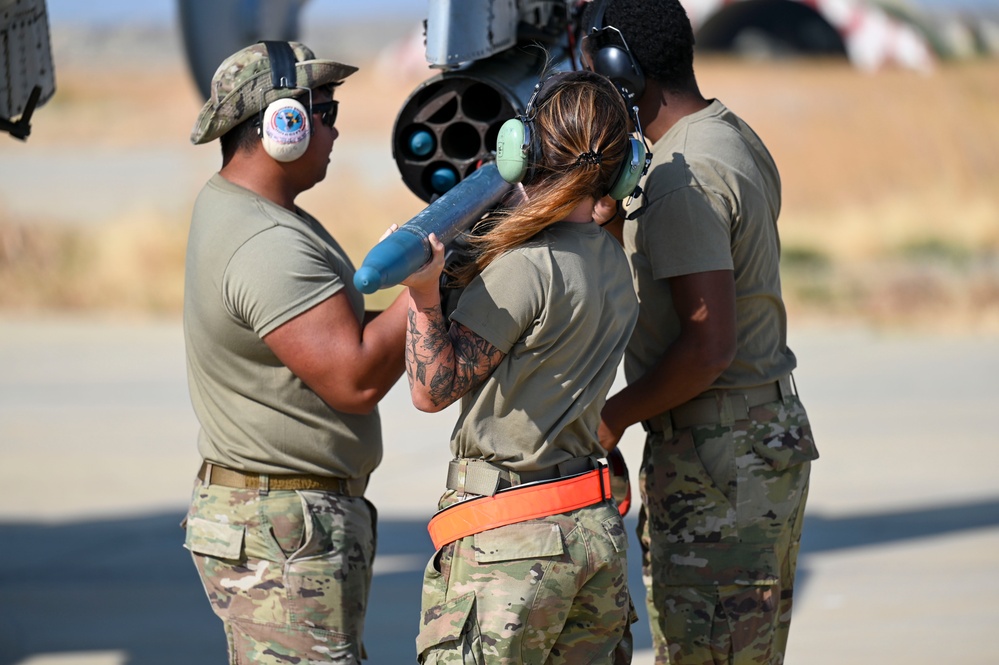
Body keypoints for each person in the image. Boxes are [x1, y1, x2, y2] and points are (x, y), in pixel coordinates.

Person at [582, 1, 821, 663]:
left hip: (716, 455)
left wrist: (611, 417)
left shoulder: (681, 180)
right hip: (751, 436)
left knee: (706, 650)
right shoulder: (728, 133)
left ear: (621, 74)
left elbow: (706, 344)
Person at [400, 69, 640, 664]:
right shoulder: (613, 261)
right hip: (590, 530)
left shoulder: (526, 270)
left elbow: (432, 391)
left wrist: (424, 295)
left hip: (511, 544)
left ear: (522, 151)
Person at [180, 41, 409, 664]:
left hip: (285, 519)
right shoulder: (265, 241)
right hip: (284, 530)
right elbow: (353, 379)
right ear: (283, 124)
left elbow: (329, 325)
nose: (335, 131)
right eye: (325, 112)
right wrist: (425, 290)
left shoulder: (247, 209)